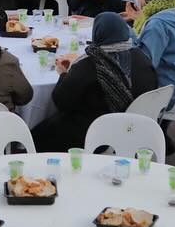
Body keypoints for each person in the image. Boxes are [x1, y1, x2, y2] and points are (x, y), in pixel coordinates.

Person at [33, 12, 158, 152]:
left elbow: (61, 101)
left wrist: (63, 74)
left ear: (97, 33)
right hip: (137, 127)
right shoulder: (142, 57)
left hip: (96, 133)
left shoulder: (91, 63)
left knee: (38, 135)